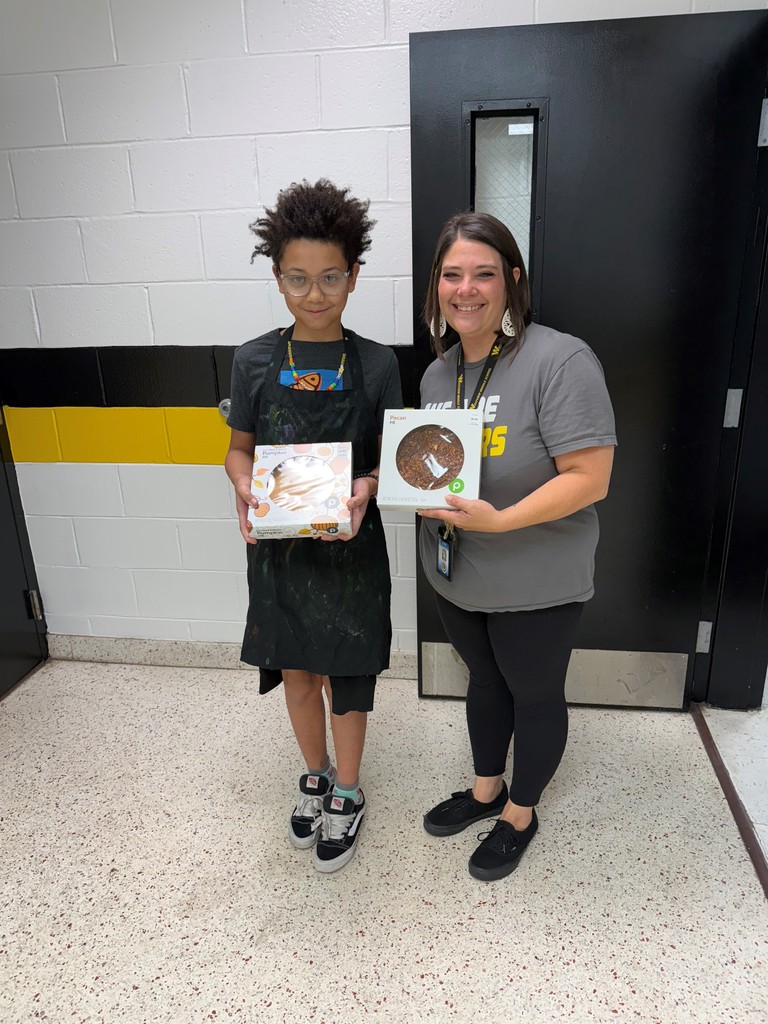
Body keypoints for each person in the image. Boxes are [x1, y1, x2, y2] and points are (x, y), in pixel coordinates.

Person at [418, 212, 616, 881]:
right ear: (436, 284)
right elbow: (433, 467)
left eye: (483, 273)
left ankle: (521, 812)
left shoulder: (558, 360)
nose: (465, 288)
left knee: (533, 693)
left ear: (512, 281)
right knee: (483, 682)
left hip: (536, 580)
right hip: (457, 576)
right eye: (452, 274)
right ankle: (485, 791)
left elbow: (591, 478)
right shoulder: (436, 378)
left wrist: (499, 522)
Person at [225, 179, 402, 873]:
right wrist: (243, 485)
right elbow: (239, 449)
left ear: (353, 276)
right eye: (297, 278)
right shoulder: (255, 360)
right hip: (282, 555)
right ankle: (315, 774)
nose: (314, 293)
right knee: (298, 670)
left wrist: (366, 488)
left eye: (330, 277)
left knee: (347, 675)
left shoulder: (379, 363)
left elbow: (394, 462)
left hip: (352, 548)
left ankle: (349, 791)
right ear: (278, 276)